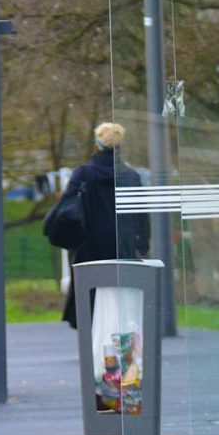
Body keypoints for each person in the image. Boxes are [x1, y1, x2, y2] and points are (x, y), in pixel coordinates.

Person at [61, 121, 150, 327]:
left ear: (97, 144)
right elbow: (140, 216)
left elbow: (67, 210)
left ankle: (93, 343)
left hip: (88, 249)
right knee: (121, 308)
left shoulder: (83, 174)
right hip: (122, 248)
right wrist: (142, 244)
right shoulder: (130, 176)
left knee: (89, 305)